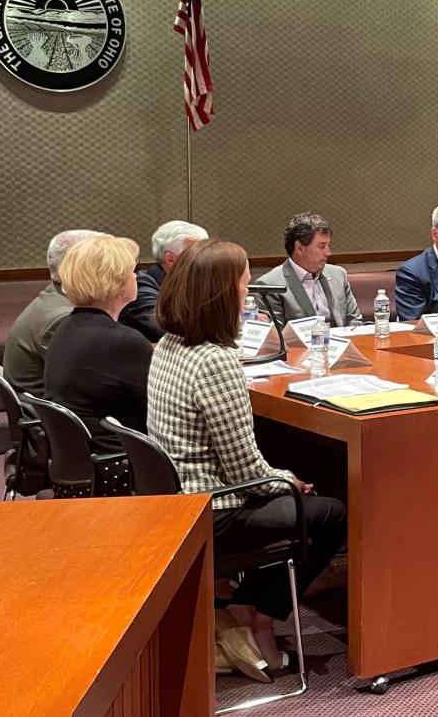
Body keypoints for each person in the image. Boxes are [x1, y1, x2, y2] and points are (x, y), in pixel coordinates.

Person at [148, 239, 347, 682]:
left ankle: (247, 603)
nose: (248, 292)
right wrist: (288, 481)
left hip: (179, 494)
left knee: (295, 474)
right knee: (330, 512)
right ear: (221, 294)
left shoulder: (169, 343)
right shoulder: (216, 361)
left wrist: (281, 476)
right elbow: (248, 475)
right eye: (243, 283)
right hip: (214, 507)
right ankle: (261, 612)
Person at [44, 235, 152, 452]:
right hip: (123, 460)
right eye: (132, 271)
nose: (136, 276)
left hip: (85, 455)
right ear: (116, 283)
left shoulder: (68, 326)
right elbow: (158, 411)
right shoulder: (123, 341)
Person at [2, 229, 103, 396]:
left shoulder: (54, 298)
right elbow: (92, 386)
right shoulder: (66, 318)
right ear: (81, 269)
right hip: (55, 418)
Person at [256, 212, 363, 327]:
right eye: (322, 246)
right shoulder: (269, 285)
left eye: (328, 245)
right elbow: (277, 337)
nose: (328, 253)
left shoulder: (339, 275)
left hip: (342, 343)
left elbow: (355, 322)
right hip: (301, 344)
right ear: (299, 248)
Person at [119, 220, 208, 342]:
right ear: (170, 259)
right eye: (198, 254)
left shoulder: (198, 282)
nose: (207, 259)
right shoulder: (141, 286)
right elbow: (171, 331)